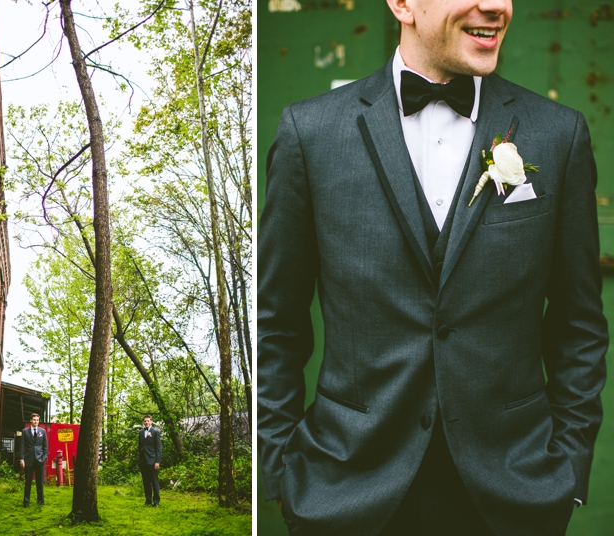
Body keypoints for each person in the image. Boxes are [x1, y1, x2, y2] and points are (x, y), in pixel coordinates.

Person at [257, 1, 608, 534]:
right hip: (345, 492)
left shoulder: (559, 134)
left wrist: (567, 469)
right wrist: (281, 473)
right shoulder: (311, 133)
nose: (495, 5)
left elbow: (578, 323)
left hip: (512, 493)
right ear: (401, 4)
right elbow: (274, 324)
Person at [19, 413, 48, 507]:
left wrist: (43, 458)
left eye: (37, 420)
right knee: (28, 483)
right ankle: (26, 502)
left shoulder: (42, 431)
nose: (36, 421)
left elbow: (45, 446)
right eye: (34, 420)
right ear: (31, 420)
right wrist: (22, 459)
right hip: (29, 460)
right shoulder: (25, 431)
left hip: (39, 460)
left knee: (40, 482)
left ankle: (41, 502)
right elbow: (22, 446)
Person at [139, 414, 162, 507]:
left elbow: (159, 448)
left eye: (148, 421)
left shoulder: (155, 432)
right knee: (146, 481)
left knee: (154, 481)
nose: (146, 422)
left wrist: (157, 461)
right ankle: (148, 500)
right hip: (143, 461)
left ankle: (156, 501)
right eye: (145, 421)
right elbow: (140, 447)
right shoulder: (140, 432)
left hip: (152, 461)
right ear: (143, 422)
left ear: (151, 421)